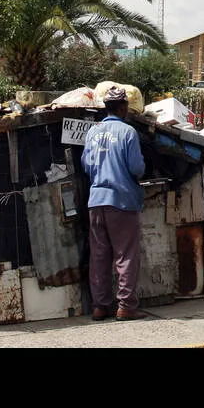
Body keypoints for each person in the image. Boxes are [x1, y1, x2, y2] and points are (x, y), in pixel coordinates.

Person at [81, 86, 147, 320]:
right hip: (121, 201)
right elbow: (137, 168)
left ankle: (100, 307)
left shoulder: (92, 132)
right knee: (125, 255)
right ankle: (126, 306)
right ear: (122, 108)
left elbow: (87, 166)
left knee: (99, 255)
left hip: (96, 201)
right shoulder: (128, 132)